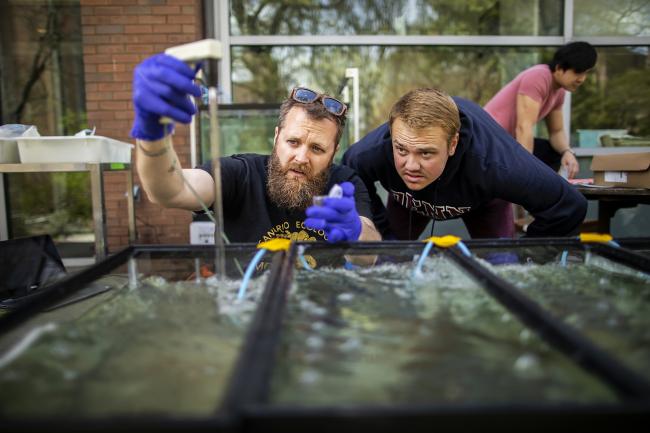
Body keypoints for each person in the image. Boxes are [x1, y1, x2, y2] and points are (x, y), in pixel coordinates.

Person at [131, 54, 381, 244]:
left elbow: (369, 252)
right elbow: (168, 191)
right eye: (293, 142)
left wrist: (356, 231)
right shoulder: (241, 174)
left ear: (334, 151)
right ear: (276, 137)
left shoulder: (344, 183)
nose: (301, 157)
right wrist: (153, 134)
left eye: (317, 149)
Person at [342, 87, 587, 240]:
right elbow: (350, 174)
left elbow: (568, 205)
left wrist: (530, 254)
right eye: (402, 150)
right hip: (407, 199)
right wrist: (383, 231)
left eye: (426, 153)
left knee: (504, 270)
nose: (411, 165)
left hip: (483, 201)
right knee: (388, 258)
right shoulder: (373, 151)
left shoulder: (495, 162)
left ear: (452, 144)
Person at [485, 41, 598, 178]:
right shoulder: (538, 77)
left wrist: (567, 152)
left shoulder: (559, 91)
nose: (582, 79)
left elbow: (556, 131)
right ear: (559, 68)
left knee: (553, 152)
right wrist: (526, 169)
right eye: (577, 72)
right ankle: (523, 191)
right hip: (488, 140)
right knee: (531, 163)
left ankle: (538, 192)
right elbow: (523, 127)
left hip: (508, 140)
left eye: (585, 73)